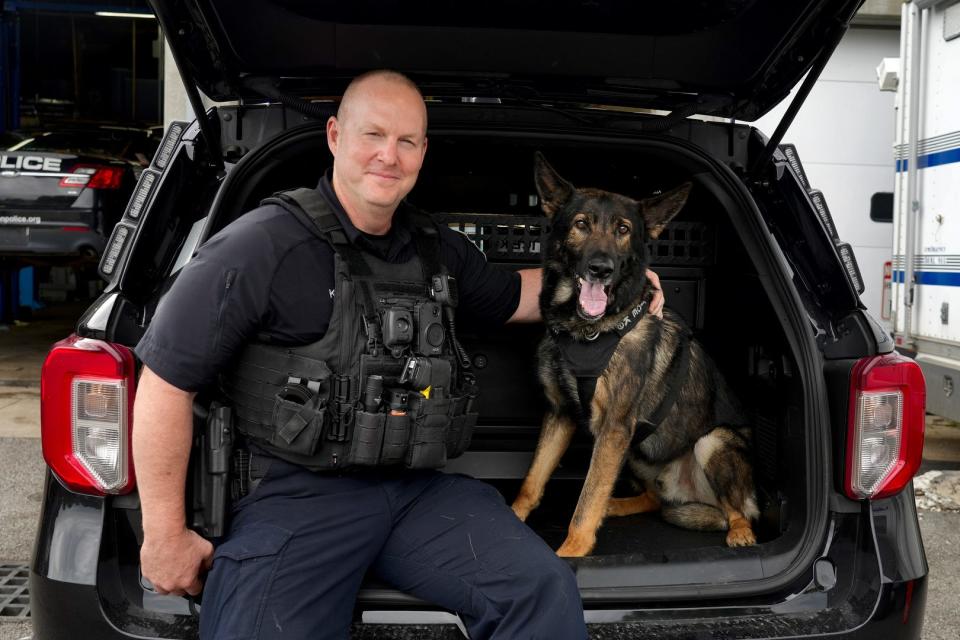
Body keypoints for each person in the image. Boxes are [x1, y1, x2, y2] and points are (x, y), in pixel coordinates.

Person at [133, 70, 664, 640]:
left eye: (406, 141)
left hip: (415, 493)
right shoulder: (259, 245)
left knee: (542, 589)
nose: (389, 155)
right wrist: (164, 535)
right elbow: (165, 382)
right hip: (296, 496)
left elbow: (518, 297)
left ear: (422, 152)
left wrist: (620, 289)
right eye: (373, 135)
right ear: (335, 136)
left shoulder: (436, 248)